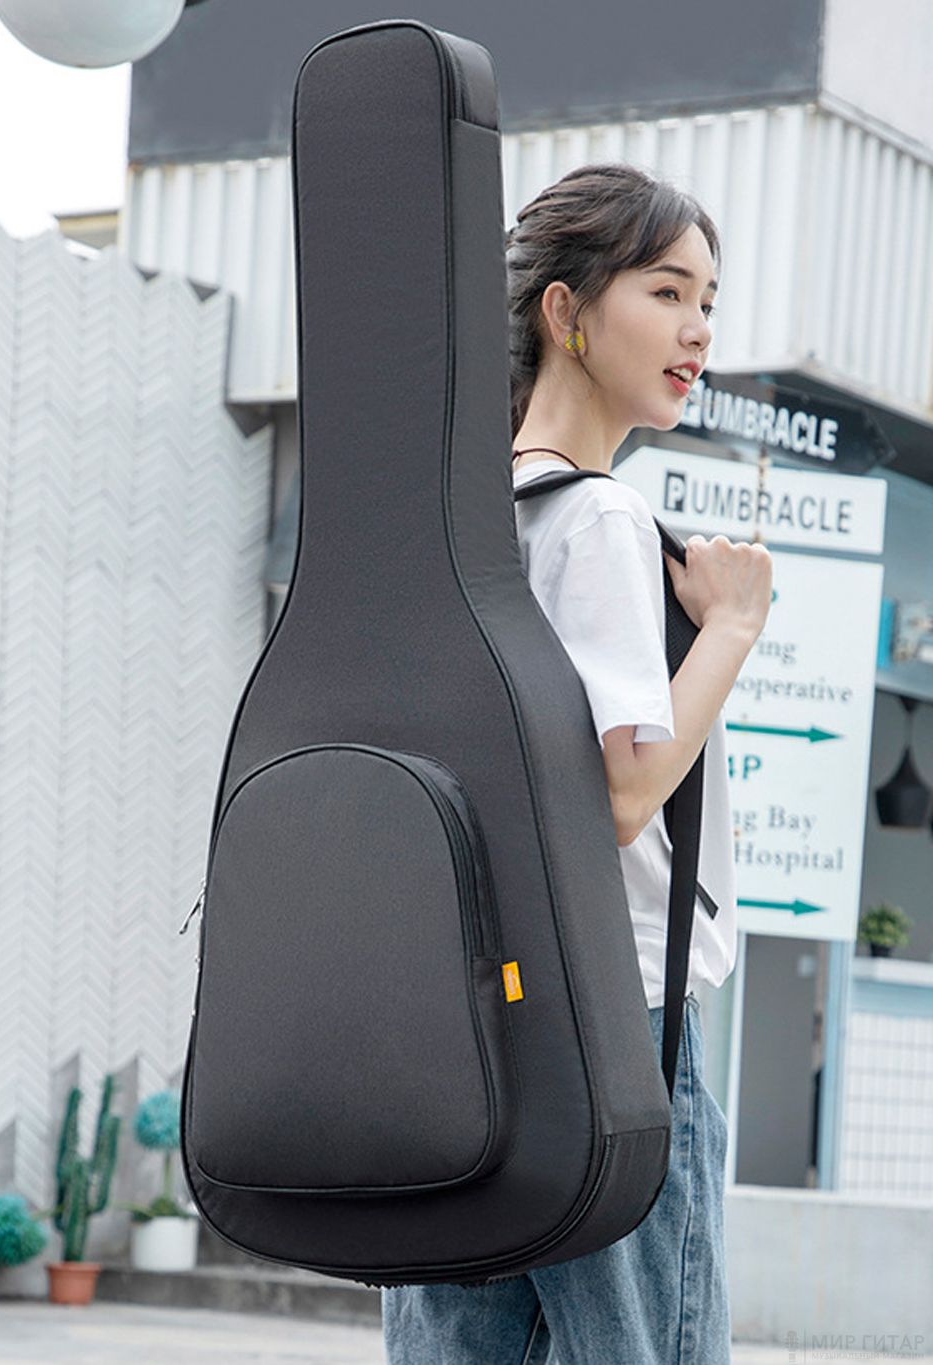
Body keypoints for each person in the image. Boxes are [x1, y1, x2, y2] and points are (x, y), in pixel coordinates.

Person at [382, 162, 773, 1364]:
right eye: (665, 291)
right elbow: (621, 793)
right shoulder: (598, 520)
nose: (697, 330)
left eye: (707, 301)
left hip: (467, 1034)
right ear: (565, 312)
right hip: (613, 1027)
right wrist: (732, 627)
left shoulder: (463, 525)